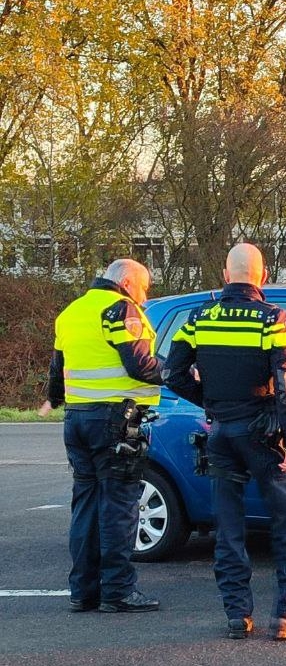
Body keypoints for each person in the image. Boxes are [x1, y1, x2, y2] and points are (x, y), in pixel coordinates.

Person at [164, 243, 286, 641]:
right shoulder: (273, 318)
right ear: (263, 276)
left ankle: (237, 614)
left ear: (226, 274)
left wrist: (212, 403)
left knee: (229, 527)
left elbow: (173, 374)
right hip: (264, 434)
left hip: (221, 434)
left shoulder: (198, 317)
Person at [40, 259, 163, 613]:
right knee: (119, 506)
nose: (144, 297)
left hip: (77, 419)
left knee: (86, 505)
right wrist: (180, 371)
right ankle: (118, 591)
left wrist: (54, 400)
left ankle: (83, 591)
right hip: (114, 421)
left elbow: (58, 369)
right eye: (143, 288)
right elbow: (139, 365)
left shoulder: (72, 312)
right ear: (127, 282)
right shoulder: (120, 308)